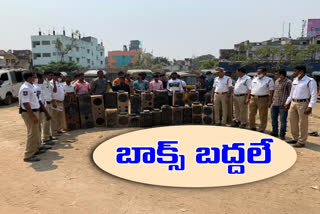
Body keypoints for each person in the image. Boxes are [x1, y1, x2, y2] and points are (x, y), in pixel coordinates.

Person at [285, 65, 318, 147]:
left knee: (303, 123)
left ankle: (302, 141)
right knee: (293, 121)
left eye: (295, 71)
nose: (294, 73)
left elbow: (314, 95)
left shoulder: (310, 81)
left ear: (301, 72)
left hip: (303, 104)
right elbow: (292, 93)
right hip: (293, 103)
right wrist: (287, 102)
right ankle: (295, 138)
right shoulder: (295, 80)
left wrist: (310, 106)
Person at [19, 72, 42, 162]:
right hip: (29, 113)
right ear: (29, 78)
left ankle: (35, 150)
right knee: (32, 133)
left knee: (35, 132)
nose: (35, 78)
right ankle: (28, 155)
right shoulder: (26, 88)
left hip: (34, 111)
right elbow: (25, 103)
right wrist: (32, 116)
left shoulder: (31, 86)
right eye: (34, 77)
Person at [248, 67, 274, 132]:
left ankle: (262, 128)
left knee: (263, 114)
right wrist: (248, 98)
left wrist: (270, 100)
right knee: (251, 113)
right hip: (253, 98)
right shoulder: (254, 79)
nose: (258, 73)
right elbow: (250, 89)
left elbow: (271, 91)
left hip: (263, 98)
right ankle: (252, 126)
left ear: (264, 73)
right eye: (258, 71)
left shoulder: (269, 80)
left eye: (260, 72)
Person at [270, 69, 292, 139]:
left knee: (283, 120)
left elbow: (290, 94)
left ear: (281, 75)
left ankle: (282, 134)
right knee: (274, 119)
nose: (276, 76)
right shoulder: (276, 81)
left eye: (277, 74)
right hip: (275, 103)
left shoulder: (288, 82)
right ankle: (275, 132)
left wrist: (288, 104)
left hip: (283, 104)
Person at [41, 71, 57, 143]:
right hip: (45, 104)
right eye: (50, 75)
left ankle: (49, 135)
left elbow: (52, 92)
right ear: (45, 75)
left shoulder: (48, 83)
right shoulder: (42, 83)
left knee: (49, 120)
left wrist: (53, 101)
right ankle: (45, 138)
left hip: (49, 103)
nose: (52, 77)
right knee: (46, 121)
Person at [50, 72, 65, 136]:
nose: (59, 78)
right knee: (54, 117)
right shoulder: (51, 83)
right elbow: (53, 91)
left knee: (59, 117)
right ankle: (54, 131)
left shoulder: (59, 83)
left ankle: (59, 129)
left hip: (60, 102)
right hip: (55, 102)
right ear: (55, 77)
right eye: (59, 77)